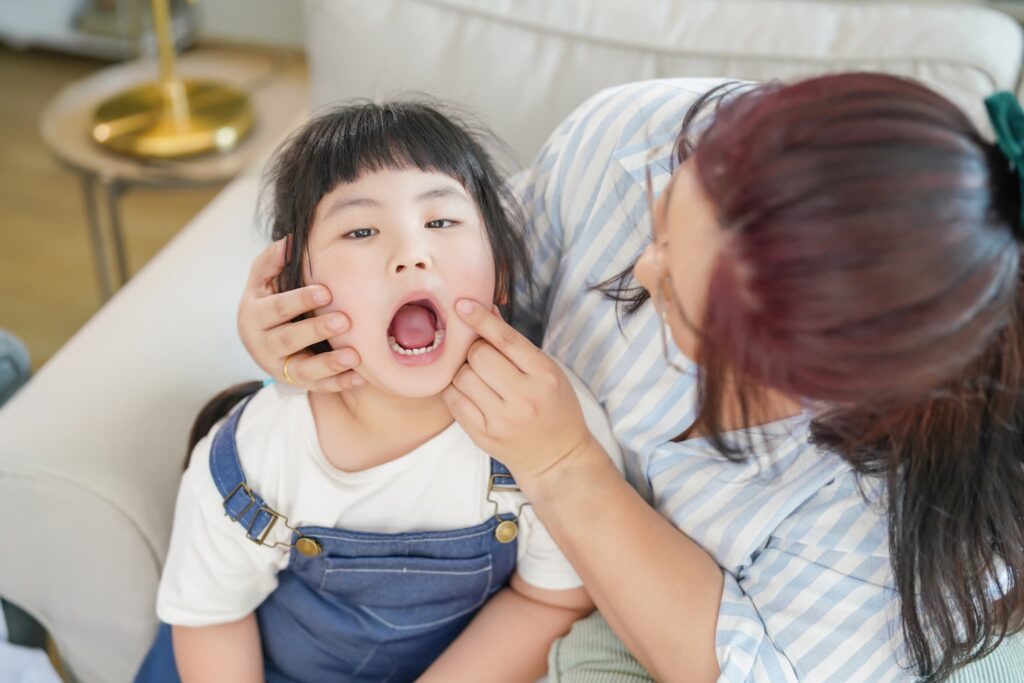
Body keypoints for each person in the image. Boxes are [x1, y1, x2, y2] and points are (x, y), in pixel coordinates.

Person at [238, 74, 1024, 682]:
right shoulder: (639, 141)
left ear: (818, 383)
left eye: (681, 297)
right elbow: (472, 275)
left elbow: (746, 668)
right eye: (661, 222)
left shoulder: (893, 532)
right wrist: (291, 327)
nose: (643, 273)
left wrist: (565, 465)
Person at [134, 101, 623, 683]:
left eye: (441, 222)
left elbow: (551, 599)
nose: (412, 254)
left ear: (503, 275)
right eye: (360, 230)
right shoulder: (260, 452)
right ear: (292, 291)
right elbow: (211, 619)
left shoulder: (549, 424)